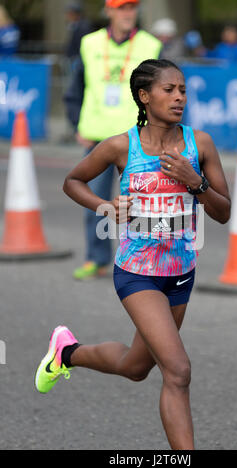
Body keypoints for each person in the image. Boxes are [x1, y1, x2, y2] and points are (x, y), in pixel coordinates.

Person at [35, 58, 231, 450]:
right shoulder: (121, 146)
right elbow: (73, 181)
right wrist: (103, 207)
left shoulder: (200, 144)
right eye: (169, 90)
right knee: (177, 371)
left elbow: (223, 212)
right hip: (137, 274)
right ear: (145, 96)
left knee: (136, 367)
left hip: (180, 273)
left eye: (183, 90)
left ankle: (66, 353)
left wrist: (196, 183)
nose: (179, 98)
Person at [64, 0, 162, 281]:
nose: (127, 13)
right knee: (95, 201)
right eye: (121, 8)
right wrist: (76, 123)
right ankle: (97, 259)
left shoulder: (150, 45)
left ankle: (148, 259)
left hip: (138, 139)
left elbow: (165, 91)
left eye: (132, 7)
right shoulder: (90, 43)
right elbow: (75, 87)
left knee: (145, 204)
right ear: (109, 11)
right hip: (97, 138)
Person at [65, 1, 94, 71]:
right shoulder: (76, 25)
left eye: (70, 13)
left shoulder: (83, 26)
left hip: (78, 59)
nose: (68, 16)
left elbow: (82, 44)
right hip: (75, 58)